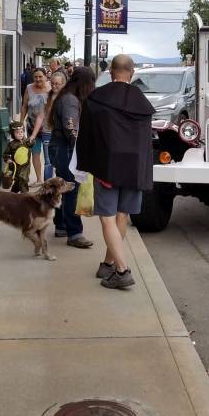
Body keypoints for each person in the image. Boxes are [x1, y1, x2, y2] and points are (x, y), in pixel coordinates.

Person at [76, 54, 155, 290]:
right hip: (134, 169)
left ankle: (122, 270)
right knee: (122, 216)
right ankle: (108, 264)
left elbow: (86, 137)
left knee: (108, 218)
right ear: (132, 73)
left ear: (111, 71)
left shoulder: (96, 99)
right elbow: (146, 143)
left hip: (107, 167)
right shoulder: (142, 102)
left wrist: (84, 165)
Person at [48, 66, 95, 248]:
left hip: (60, 146)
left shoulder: (66, 96)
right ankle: (74, 233)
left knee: (63, 186)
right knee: (70, 189)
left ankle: (61, 226)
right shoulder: (70, 100)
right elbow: (70, 128)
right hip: (66, 148)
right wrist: (80, 147)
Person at [33, 70, 67, 181]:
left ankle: (60, 187)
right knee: (48, 162)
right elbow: (40, 117)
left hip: (62, 135)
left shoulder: (67, 98)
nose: (54, 86)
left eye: (57, 84)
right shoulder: (46, 97)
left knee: (61, 162)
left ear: (64, 84)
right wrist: (33, 135)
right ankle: (47, 190)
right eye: (52, 83)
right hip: (47, 133)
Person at [20, 67, 50, 182]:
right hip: (32, 127)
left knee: (48, 158)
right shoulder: (29, 88)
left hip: (48, 128)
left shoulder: (51, 88)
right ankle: (39, 180)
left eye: (40, 77)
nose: (38, 79)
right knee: (35, 153)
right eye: (35, 77)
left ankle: (48, 182)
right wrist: (22, 122)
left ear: (45, 77)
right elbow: (24, 106)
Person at [2, 121, 32, 194]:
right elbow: (5, 154)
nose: (20, 134)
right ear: (13, 134)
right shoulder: (11, 144)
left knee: (23, 179)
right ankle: (13, 192)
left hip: (26, 166)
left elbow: (32, 143)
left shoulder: (26, 142)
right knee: (18, 180)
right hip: (16, 166)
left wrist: (31, 140)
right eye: (17, 133)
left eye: (21, 132)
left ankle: (25, 195)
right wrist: (8, 159)